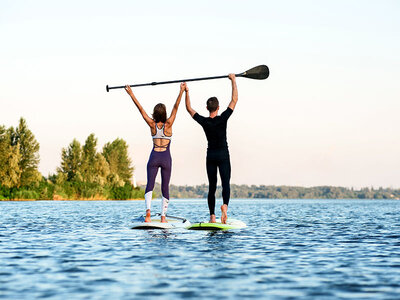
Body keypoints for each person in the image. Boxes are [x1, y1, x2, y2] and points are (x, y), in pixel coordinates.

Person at [125, 83, 186, 223]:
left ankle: (148, 214)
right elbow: (176, 107)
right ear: (164, 114)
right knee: (165, 186)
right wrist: (181, 91)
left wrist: (131, 94)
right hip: (165, 158)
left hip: (154, 157)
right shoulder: (169, 124)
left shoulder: (152, 125)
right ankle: (163, 217)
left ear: (154, 113)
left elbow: (140, 109)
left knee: (150, 185)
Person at [184, 74, 238, 224]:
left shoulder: (204, 122)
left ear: (207, 108)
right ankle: (225, 207)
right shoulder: (223, 118)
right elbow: (234, 100)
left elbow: (189, 109)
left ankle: (212, 217)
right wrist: (233, 80)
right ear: (218, 108)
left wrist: (186, 92)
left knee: (212, 187)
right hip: (223, 154)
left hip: (211, 156)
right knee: (225, 183)